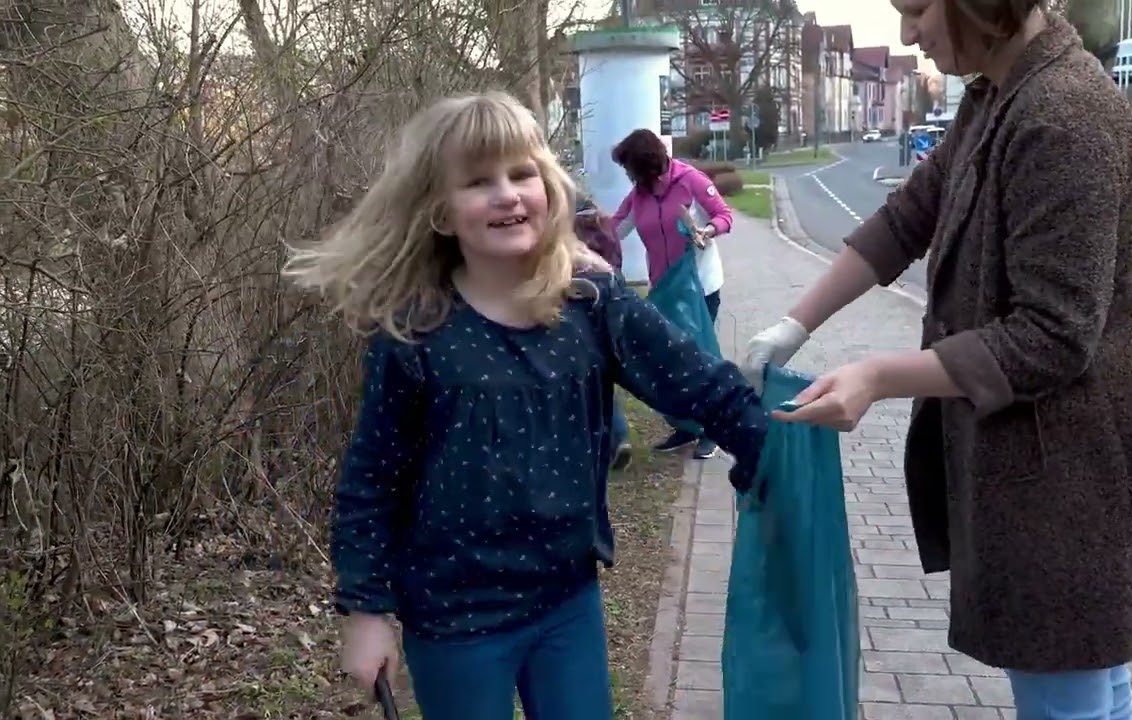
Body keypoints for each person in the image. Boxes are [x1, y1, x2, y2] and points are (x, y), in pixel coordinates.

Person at [742, 4, 1132, 720]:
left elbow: (1052, 335)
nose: (905, 34)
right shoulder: (998, 94)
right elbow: (906, 219)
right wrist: (793, 324)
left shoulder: (1065, 116)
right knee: (1091, 695)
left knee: (1067, 702)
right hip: (1047, 476)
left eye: (917, 8)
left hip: (1076, 486)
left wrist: (878, 378)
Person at [283, 92, 770, 720]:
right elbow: (371, 481)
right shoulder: (415, 333)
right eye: (479, 182)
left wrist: (774, 450)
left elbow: (702, 386)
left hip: (566, 602)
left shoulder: (592, 303)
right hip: (454, 616)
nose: (508, 194)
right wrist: (366, 611)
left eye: (522, 173)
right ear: (440, 212)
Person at [610, 128, 733, 460]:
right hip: (665, 289)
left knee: (701, 361)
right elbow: (616, 227)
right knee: (672, 364)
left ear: (648, 164)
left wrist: (706, 231)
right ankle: (686, 426)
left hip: (700, 287)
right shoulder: (640, 193)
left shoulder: (691, 181)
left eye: (631, 169)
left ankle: (714, 429)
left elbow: (725, 216)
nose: (629, 177)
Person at [572, 191, 633, 471]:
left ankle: (614, 437)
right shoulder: (605, 226)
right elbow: (616, 263)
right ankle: (617, 437)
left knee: (594, 375)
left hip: (582, 304)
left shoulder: (571, 232)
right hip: (610, 297)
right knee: (605, 370)